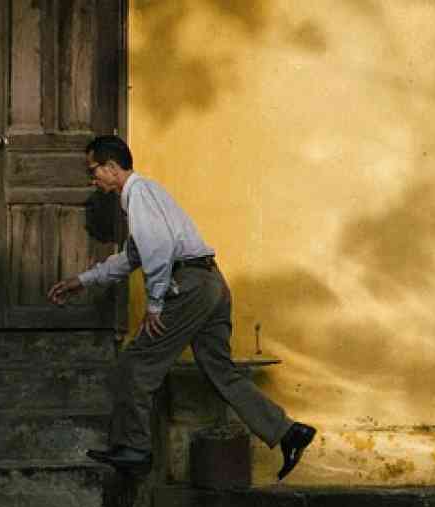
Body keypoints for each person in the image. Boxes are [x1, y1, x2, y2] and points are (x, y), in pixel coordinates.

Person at [48, 135, 316, 480]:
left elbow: (158, 249)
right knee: (220, 370)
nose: (92, 178)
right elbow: (132, 257)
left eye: (94, 169)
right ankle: (288, 432)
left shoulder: (139, 194)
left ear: (112, 167)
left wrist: (156, 304)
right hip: (211, 283)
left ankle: (134, 448)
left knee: (135, 362)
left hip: (189, 285)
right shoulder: (147, 195)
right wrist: (82, 281)